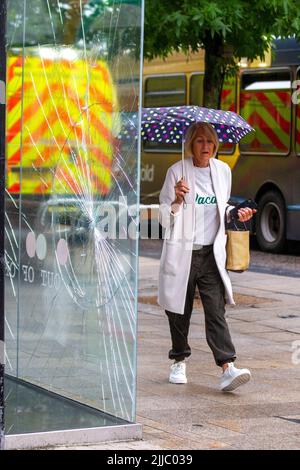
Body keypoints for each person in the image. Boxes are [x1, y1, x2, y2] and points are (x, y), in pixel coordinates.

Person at [157, 122, 257, 392]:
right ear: (191, 144)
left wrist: (237, 213)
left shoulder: (222, 170)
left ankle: (227, 367)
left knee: (216, 310)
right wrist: (177, 200)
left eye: (210, 142)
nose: (206, 147)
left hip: (211, 253)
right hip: (183, 252)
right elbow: (163, 219)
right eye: (200, 141)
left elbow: (222, 207)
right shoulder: (177, 171)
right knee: (179, 309)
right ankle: (178, 360)